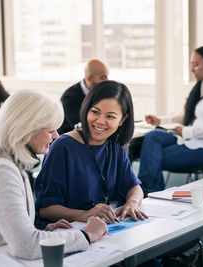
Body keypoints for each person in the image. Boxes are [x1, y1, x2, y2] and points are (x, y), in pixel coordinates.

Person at [0, 90, 107, 259]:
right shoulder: (0, 171)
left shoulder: (11, 163)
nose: (56, 136)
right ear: (26, 130)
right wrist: (86, 235)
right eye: (50, 130)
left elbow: (14, 230)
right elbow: (27, 246)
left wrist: (42, 231)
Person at [35, 80, 147, 229]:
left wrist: (131, 204)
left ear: (123, 120)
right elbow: (45, 209)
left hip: (104, 230)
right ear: (86, 109)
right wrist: (84, 214)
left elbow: (134, 187)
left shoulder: (114, 145)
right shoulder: (63, 147)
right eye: (95, 112)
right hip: (70, 232)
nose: (100, 121)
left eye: (111, 116)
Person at [138, 45, 203, 193]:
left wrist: (186, 131)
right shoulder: (202, 87)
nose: (192, 69)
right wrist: (161, 121)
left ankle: (148, 195)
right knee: (153, 136)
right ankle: (150, 194)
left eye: (195, 65)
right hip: (193, 140)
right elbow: (188, 115)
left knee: (153, 158)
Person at [58, 59, 109, 134]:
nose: (107, 81)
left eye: (107, 76)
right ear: (89, 78)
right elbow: (80, 126)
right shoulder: (69, 97)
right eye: (103, 77)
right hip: (71, 140)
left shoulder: (103, 92)